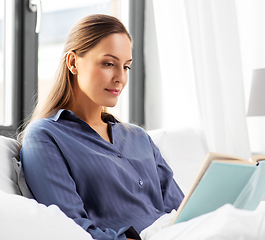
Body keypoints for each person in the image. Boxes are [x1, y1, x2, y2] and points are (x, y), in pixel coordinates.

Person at [19, 14, 184, 240]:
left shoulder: (138, 137)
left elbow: (183, 210)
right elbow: (72, 228)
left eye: (126, 67)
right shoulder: (46, 137)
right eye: (108, 64)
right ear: (73, 63)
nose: (120, 78)